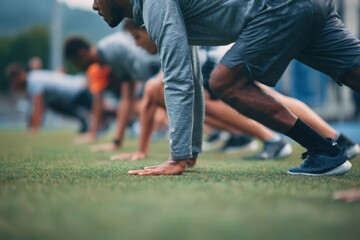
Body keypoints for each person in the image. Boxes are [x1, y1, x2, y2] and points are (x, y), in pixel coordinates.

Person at [92, 0, 360, 176]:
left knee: (224, 82)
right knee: (354, 73)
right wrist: (189, 152)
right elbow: (191, 75)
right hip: (307, 6)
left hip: (281, 7)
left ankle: (324, 150)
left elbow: (177, 76)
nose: (94, 5)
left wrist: (178, 158)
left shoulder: (153, 3)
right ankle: (328, 150)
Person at [64, 32, 160, 151]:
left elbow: (125, 98)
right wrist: (116, 142)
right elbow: (127, 97)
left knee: (152, 105)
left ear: (81, 54)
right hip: (156, 76)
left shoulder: (109, 51)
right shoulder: (106, 54)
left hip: (160, 70)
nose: (78, 68)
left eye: (75, 63)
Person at [6, 63, 93, 133]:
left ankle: (92, 123)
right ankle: (84, 120)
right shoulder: (33, 77)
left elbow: (38, 106)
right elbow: (40, 106)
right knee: (51, 104)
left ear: (20, 75)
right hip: (71, 92)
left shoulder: (33, 81)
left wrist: (35, 128)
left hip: (75, 89)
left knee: (100, 109)